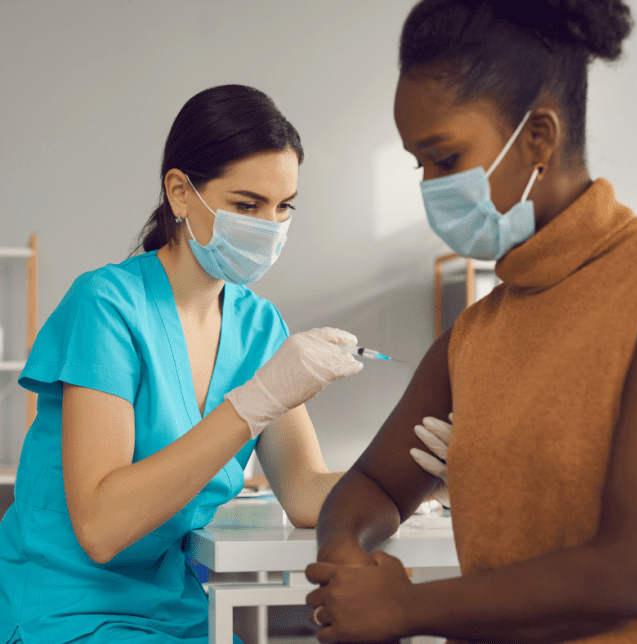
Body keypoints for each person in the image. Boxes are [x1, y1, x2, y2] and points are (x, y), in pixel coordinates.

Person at [305, 1, 637, 643]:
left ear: (539, 137)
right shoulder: (475, 334)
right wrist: (347, 550)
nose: (431, 187)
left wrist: (404, 607)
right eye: (419, 164)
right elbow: (373, 483)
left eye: (446, 157)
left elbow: (636, 575)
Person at [0, 84, 366, 644]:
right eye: (247, 205)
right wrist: (254, 404)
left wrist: (431, 475)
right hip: (65, 607)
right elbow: (101, 527)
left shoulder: (259, 327)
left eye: (284, 206)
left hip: (174, 609)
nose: (269, 226)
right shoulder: (107, 306)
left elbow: (305, 494)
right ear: (179, 192)